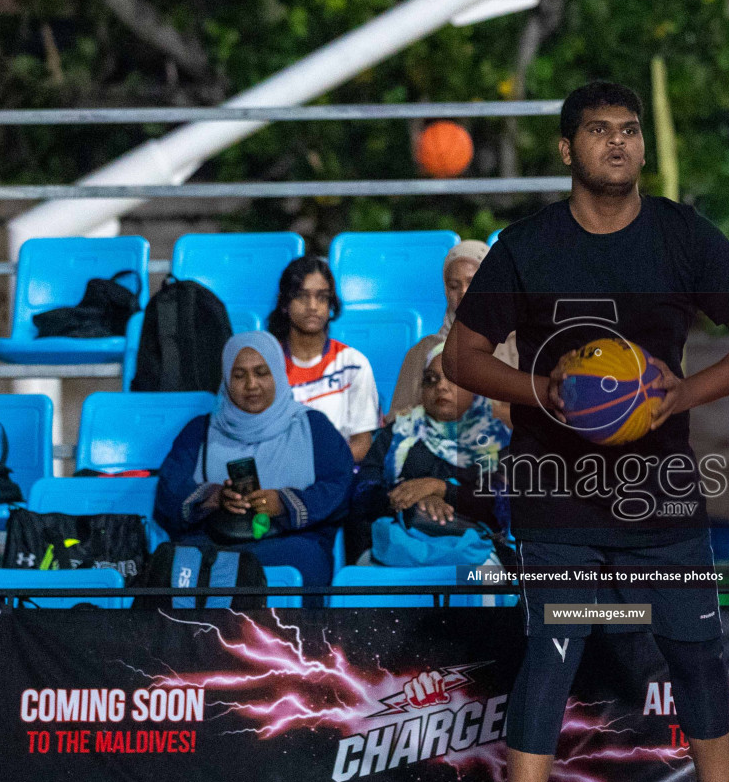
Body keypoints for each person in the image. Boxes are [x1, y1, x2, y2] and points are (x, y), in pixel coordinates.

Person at [444, 80, 729, 782]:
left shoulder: (680, 234)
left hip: (661, 491)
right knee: (552, 656)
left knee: (696, 653)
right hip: (558, 497)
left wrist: (683, 393)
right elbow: (462, 356)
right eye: (599, 131)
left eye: (629, 131)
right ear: (567, 149)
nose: (618, 144)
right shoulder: (529, 245)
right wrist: (542, 390)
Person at [156, 331, 353, 599]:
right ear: (226, 379)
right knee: (181, 561)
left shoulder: (313, 428)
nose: (251, 384)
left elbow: (340, 485)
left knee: (305, 560)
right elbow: (169, 492)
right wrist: (213, 497)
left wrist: (284, 502)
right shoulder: (200, 431)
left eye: (262, 372)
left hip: (289, 542)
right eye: (239, 375)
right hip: (215, 543)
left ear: (278, 373)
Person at [349, 343, 511, 560]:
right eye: (431, 379)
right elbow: (362, 493)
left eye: (453, 379)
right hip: (400, 545)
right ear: (422, 389)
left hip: (475, 550)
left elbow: (502, 503)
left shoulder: (495, 439)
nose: (441, 387)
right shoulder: (398, 433)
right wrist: (412, 498)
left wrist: (441, 489)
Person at [267, 256, 382, 462]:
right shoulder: (267, 366)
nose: (313, 306)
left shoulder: (353, 364)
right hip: (279, 470)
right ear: (284, 304)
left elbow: (362, 444)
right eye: (302, 296)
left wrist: (322, 468)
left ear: (331, 304)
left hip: (336, 474)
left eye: (321, 297)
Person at [389, 240, 518, 420]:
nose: (464, 293)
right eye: (453, 286)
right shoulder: (424, 351)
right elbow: (397, 421)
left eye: (473, 282)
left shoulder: (519, 345)